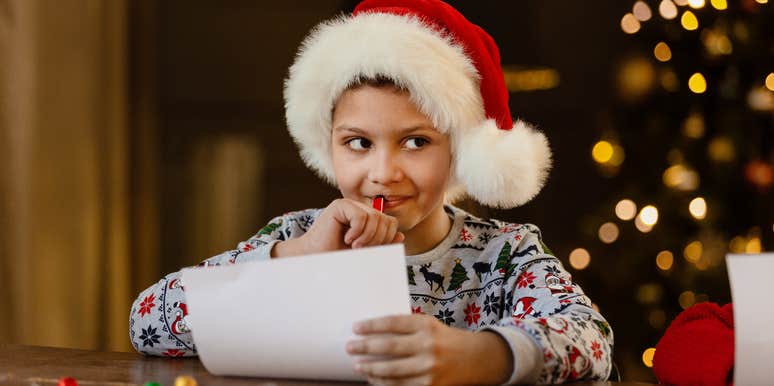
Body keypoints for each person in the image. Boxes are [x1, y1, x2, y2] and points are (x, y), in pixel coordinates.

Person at [129, 0, 613, 383]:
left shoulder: (507, 256)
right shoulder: (296, 238)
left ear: (461, 150)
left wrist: (482, 356)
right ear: (327, 144)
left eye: (416, 142)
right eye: (358, 143)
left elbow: (593, 342)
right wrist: (295, 256)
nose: (383, 172)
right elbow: (147, 322)